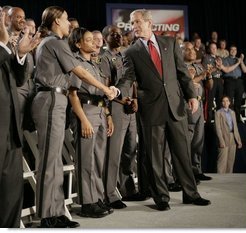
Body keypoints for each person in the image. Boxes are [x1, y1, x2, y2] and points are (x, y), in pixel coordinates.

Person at [31, 6, 118, 228]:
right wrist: (105, 89)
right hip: (51, 99)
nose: (69, 23)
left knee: (55, 161)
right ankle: (47, 215)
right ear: (56, 22)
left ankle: (56, 210)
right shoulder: (54, 43)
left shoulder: (53, 43)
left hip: (55, 100)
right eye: (66, 19)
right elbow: (80, 72)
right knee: (49, 160)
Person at [117, 9, 211, 211]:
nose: (134, 26)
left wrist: (191, 96)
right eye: (132, 23)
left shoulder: (169, 43)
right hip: (151, 111)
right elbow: (127, 78)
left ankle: (191, 194)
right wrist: (117, 91)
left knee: (182, 153)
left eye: (137, 22)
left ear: (149, 22)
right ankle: (161, 198)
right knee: (155, 158)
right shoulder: (131, 52)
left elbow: (182, 73)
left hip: (175, 107)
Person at [0, 7, 40, 227]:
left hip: (11, 127)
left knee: (11, 190)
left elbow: (18, 79)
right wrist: (5, 45)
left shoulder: (7, 46)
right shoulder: (3, 45)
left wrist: (21, 54)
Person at [68, 27, 114, 218]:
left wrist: (108, 115)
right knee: (86, 159)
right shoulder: (75, 63)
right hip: (85, 111)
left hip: (100, 110)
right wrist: (83, 119)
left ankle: (96, 197)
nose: (94, 43)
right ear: (78, 44)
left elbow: (102, 94)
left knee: (98, 160)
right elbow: (72, 94)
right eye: (88, 40)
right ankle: (87, 203)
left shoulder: (94, 65)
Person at [99, 25, 140, 208]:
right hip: (116, 106)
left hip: (130, 107)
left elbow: (133, 81)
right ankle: (109, 194)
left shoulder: (125, 55)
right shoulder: (104, 57)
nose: (117, 36)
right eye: (112, 34)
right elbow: (106, 87)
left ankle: (127, 189)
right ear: (105, 37)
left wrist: (135, 99)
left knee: (130, 150)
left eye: (119, 34)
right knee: (114, 152)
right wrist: (123, 102)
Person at [183, 42, 212, 182]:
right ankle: (186, 172)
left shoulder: (199, 66)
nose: (192, 52)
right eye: (188, 50)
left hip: (200, 105)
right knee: (189, 139)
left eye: (193, 50)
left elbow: (208, 86)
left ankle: (197, 169)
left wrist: (209, 76)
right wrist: (202, 75)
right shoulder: (181, 67)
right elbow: (188, 82)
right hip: (189, 105)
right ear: (182, 52)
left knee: (199, 140)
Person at [215, 96, 242, 173]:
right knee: (222, 161)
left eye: (227, 101)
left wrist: (238, 140)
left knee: (230, 161)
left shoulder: (232, 112)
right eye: (223, 101)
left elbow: (235, 127)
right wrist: (221, 141)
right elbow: (218, 128)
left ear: (229, 102)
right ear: (221, 103)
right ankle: (220, 180)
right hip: (223, 137)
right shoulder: (218, 113)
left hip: (232, 137)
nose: (225, 102)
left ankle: (228, 180)